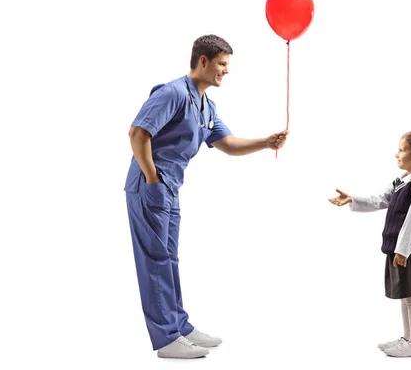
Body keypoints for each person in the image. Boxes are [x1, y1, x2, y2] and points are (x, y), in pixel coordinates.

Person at [124, 34, 289, 359]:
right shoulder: (172, 93)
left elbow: (228, 144)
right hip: (151, 186)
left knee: (168, 259)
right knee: (155, 261)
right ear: (203, 61)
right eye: (222, 64)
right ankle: (166, 338)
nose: (226, 71)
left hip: (170, 189)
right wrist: (153, 178)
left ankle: (179, 326)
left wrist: (267, 142)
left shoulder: (205, 105)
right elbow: (137, 133)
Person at [328, 131, 411, 358]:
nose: (397, 154)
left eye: (402, 150)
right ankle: (408, 339)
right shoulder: (403, 181)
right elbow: (381, 199)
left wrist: (402, 250)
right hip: (400, 250)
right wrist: (352, 199)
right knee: (405, 295)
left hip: (410, 250)